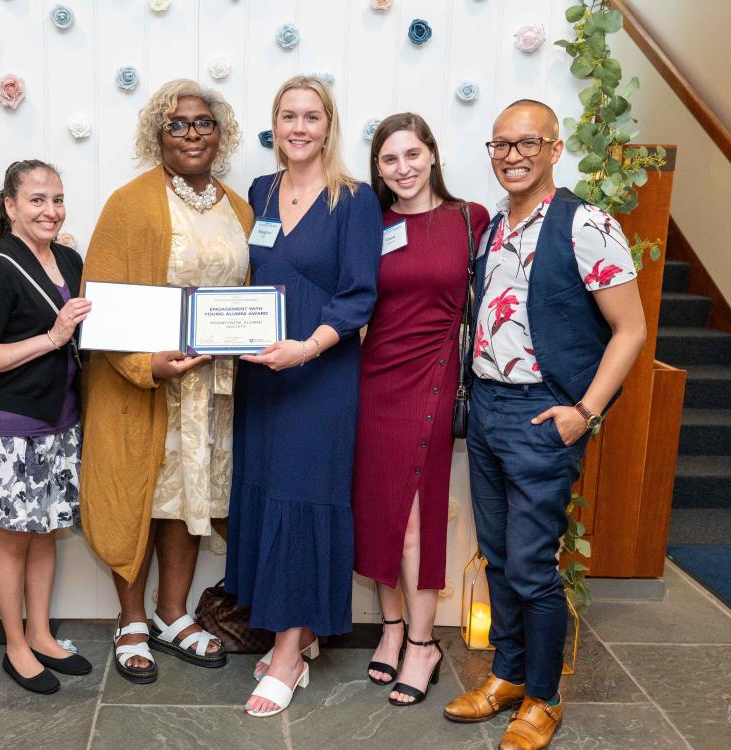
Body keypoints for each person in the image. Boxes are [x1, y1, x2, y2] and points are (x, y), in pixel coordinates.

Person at [444, 99, 646, 750]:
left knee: (533, 568)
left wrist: (584, 413)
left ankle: (543, 698)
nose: (513, 155)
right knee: (499, 559)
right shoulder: (491, 230)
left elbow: (631, 328)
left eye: (528, 143)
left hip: (543, 414)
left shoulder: (587, 224)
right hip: (488, 412)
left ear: (556, 150)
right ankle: (506, 674)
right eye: (500, 144)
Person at [80, 79, 252, 685]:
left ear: (220, 133)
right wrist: (144, 365)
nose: (191, 134)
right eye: (177, 124)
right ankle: (132, 621)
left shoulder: (239, 206)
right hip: (144, 387)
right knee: (139, 497)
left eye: (203, 123)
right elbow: (97, 300)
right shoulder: (130, 204)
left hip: (213, 390)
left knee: (189, 499)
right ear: (158, 135)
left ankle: (173, 614)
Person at [225, 75, 382, 717]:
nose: (298, 127)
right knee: (267, 494)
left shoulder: (356, 199)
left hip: (319, 376)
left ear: (329, 124)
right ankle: (299, 627)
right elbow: (253, 279)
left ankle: (289, 655)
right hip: (263, 377)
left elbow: (359, 295)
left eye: (311, 117)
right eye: (287, 116)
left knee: (303, 498)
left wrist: (306, 348)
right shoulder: (261, 192)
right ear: (275, 124)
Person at [353, 113, 490, 706]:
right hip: (372, 378)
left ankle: (422, 642)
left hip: (432, 378)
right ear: (378, 168)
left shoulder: (470, 218)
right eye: (389, 160)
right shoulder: (371, 222)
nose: (403, 168)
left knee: (416, 513)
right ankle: (389, 632)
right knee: (379, 509)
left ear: (432, 155)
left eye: (412, 155)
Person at [0, 160, 93, 694]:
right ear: (10, 207)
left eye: (57, 199)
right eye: (37, 200)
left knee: (45, 534)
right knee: (12, 539)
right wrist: (53, 338)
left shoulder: (70, 258)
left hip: (59, 419)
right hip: (7, 427)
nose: (50, 211)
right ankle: (15, 645)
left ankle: (40, 632)